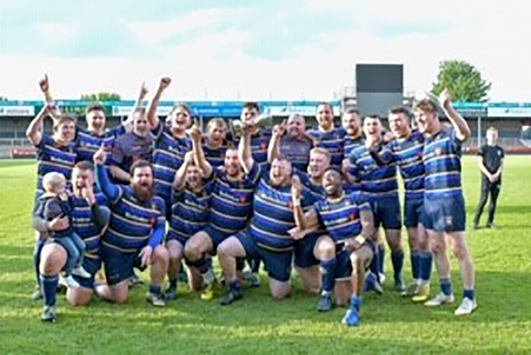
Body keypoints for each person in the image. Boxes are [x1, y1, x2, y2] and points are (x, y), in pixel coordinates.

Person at [216, 150, 315, 305]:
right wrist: (247, 132)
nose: (276, 171)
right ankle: (233, 288)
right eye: (274, 167)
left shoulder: (301, 193)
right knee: (224, 249)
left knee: (279, 294)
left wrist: (296, 203)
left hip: (278, 250)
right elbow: (245, 156)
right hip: (253, 239)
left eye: (281, 168)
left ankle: (283, 276)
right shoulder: (261, 179)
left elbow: (306, 225)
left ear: (290, 172)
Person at [182, 120, 261, 300]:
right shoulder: (218, 175)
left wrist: (246, 135)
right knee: (191, 249)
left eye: (234, 159)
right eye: (227, 158)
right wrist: (195, 142)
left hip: (237, 235)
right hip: (214, 230)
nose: (231, 162)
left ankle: (234, 285)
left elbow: (247, 154)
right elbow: (202, 164)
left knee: (236, 280)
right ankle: (209, 277)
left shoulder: (250, 182)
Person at [415, 88, 477, 315]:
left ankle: (470, 297)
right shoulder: (426, 142)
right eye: (417, 116)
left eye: (422, 115)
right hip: (430, 201)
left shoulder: (449, 134)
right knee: (436, 247)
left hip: (450, 199)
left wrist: (449, 108)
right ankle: (446, 292)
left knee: (458, 248)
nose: (419, 120)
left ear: (434, 115)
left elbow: (465, 132)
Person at [292, 168, 376, 326]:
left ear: (342, 182)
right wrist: (296, 202)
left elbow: (368, 226)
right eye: (325, 178)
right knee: (341, 300)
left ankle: (354, 309)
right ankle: (367, 280)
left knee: (356, 258)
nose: (328, 180)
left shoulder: (357, 197)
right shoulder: (320, 206)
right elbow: (302, 225)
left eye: (332, 176)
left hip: (361, 245)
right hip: (340, 251)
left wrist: (357, 241)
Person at [32, 161, 110, 321]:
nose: (80, 181)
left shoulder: (100, 197)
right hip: (62, 244)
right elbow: (35, 221)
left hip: (89, 254)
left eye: (85, 178)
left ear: (93, 180)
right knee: (50, 256)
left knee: (78, 300)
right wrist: (49, 224)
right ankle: (49, 306)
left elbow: (102, 222)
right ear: (71, 179)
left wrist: (92, 202)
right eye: (77, 177)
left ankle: (84, 280)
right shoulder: (59, 197)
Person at [93, 146, 169, 307]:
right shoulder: (121, 193)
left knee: (161, 252)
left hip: (139, 251)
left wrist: (150, 246)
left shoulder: (158, 202)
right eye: (139, 175)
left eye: (147, 175)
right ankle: (98, 285)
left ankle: (155, 292)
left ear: (153, 178)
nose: (144, 179)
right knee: (119, 298)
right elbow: (105, 188)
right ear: (131, 178)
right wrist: (99, 166)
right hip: (116, 253)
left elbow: (160, 228)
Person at [371, 106, 432, 301]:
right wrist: (374, 149)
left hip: (427, 195)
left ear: (408, 121)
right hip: (410, 196)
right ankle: (416, 280)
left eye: (399, 120)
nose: (395, 125)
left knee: (424, 241)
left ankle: (425, 282)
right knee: (414, 241)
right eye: (392, 121)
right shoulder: (394, 145)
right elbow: (382, 162)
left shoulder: (421, 138)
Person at [26, 103, 77, 300]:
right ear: (56, 129)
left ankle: (60, 279)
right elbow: (31, 132)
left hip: (62, 203)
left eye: (71, 127)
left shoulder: (72, 150)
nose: (68, 130)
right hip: (44, 202)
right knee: (42, 237)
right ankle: (41, 285)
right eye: (65, 127)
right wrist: (43, 113)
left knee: (63, 239)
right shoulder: (46, 143)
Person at [348, 115, 404, 292]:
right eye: (368, 124)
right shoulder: (356, 153)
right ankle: (376, 275)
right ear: (363, 129)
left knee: (394, 242)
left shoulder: (391, 147)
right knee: (371, 239)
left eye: (375, 124)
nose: (371, 127)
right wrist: (346, 170)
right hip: (368, 201)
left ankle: (398, 276)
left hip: (389, 200)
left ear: (381, 128)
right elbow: (353, 178)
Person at [165, 151, 213, 300]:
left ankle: (206, 271)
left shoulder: (209, 192)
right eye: (189, 172)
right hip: (178, 234)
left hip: (196, 238)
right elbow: (178, 180)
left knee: (195, 288)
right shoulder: (180, 190)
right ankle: (172, 286)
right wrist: (186, 162)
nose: (192, 175)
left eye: (196, 172)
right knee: (173, 255)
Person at [35, 172, 91, 288]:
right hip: (59, 234)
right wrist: (65, 201)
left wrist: (69, 198)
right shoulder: (50, 202)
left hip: (68, 231)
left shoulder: (59, 197)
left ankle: (77, 267)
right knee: (74, 253)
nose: (65, 189)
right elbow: (64, 213)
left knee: (82, 246)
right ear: (52, 188)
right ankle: (66, 275)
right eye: (62, 187)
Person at [146, 77, 193, 217]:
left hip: (176, 198)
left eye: (185, 115)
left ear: (189, 121)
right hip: (154, 193)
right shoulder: (163, 133)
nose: (181, 117)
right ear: (170, 118)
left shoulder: (191, 143)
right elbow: (150, 115)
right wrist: (160, 89)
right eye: (178, 114)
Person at [473, 127, 504, 229]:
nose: (493, 137)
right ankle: (476, 221)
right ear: (487, 136)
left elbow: (502, 164)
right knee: (484, 199)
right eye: (491, 134)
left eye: (494, 135)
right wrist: (489, 175)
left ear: (497, 136)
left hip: (497, 179)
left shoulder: (500, 150)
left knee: (494, 201)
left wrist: (496, 174)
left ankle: (490, 222)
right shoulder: (483, 149)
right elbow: (480, 164)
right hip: (486, 179)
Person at [307, 103, 345, 169]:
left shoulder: (342, 133)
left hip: (337, 173)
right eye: (320, 113)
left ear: (332, 115)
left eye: (327, 112)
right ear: (316, 116)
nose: (324, 115)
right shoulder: (310, 134)